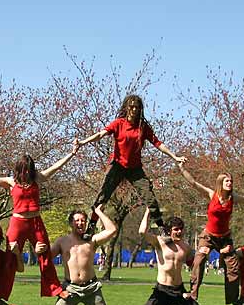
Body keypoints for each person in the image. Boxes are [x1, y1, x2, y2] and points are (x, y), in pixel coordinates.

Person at [74, 94, 187, 241]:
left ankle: (162, 228)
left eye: (137, 107)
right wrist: (82, 142)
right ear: (127, 107)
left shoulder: (142, 127)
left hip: (135, 169)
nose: (134, 109)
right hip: (117, 166)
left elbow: (158, 144)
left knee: (150, 198)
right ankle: (91, 227)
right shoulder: (118, 123)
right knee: (102, 198)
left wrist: (175, 157)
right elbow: (100, 134)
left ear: (140, 109)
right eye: (131, 106)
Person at [0, 143, 79, 297]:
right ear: (18, 170)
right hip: (17, 223)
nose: (26, 173)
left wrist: (72, 154)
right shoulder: (11, 182)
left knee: (45, 254)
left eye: (29, 170)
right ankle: (0, 294)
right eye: (23, 170)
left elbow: (55, 167)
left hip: (35, 223)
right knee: (10, 256)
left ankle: (55, 289)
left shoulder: (37, 179)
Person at [29, 206, 123, 305]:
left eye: (83, 220)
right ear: (71, 223)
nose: (80, 223)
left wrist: (98, 212)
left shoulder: (92, 240)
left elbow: (112, 230)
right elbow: (45, 259)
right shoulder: (62, 241)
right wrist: (37, 251)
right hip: (70, 289)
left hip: (92, 288)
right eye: (77, 220)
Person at [176, 164, 244, 304]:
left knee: (233, 266)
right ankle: (193, 294)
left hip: (225, 238)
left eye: (231, 181)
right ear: (221, 183)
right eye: (227, 181)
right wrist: (182, 168)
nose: (230, 183)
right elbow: (193, 183)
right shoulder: (212, 194)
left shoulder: (233, 198)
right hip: (208, 236)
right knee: (199, 259)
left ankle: (233, 299)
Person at [128, 208, 210, 305]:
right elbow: (142, 231)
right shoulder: (160, 242)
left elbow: (195, 265)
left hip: (179, 292)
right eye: (175, 229)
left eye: (181, 229)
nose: (179, 232)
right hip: (161, 292)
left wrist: (203, 254)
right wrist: (147, 211)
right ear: (169, 231)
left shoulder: (185, 247)